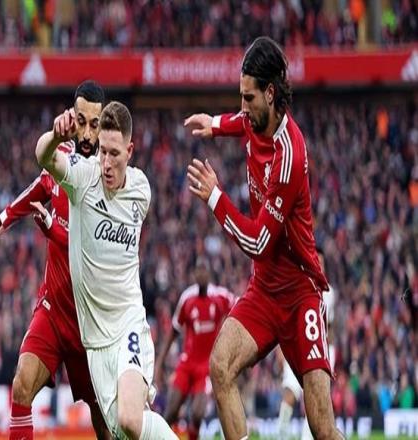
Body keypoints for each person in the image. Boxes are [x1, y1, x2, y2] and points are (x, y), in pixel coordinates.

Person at [184, 36, 342, 439]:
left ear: (271, 94)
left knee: (323, 429)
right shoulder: (256, 119)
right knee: (220, 367)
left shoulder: (290, 155)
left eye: (248, 97)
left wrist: (215, 197)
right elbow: (241, 122)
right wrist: (215, 124)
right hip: (265, 293)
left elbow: (258, 243)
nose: (242, 106)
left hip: (300, 295)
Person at [35, 100, 178, 439]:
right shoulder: (83, 179)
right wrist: (55, 137)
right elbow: (43, 156)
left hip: (128, 322)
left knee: (129, 419)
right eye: (102, 152)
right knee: (121, 430)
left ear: (130, 151)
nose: (107, 163)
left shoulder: (141, 190)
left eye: (115, 153)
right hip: (95, 340)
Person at [0, 81, 110, 440]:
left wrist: (53, 229)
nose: (87, 132)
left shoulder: (109, 175)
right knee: (21, 386)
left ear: (103, 123)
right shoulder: (63, 156)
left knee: (105, 421)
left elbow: (92, 249)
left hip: (91, 323)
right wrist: (9, 214)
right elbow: (42, 183)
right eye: (81, 121)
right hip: (54, 311)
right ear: (72, 117)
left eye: (95, 124)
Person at [154, 258, 235, 440]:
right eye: (198, 270)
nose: (201, 273)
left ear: (209, 273)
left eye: (203, 269)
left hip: (206, 365)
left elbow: (240, 306)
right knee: (170, 412)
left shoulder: (220, 296)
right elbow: (174, 331)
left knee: (197, 414)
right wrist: (159, 363)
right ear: (194, 274)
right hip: (187, 363)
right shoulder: (187, 298)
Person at [277, 249, 337, 440]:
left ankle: (307, 437)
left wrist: (331, 355)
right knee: (290, 392)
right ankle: (281, 434)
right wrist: (280, 350)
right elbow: (284, 321)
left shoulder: (329, 293)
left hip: (319, 351)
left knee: (316, 398)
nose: (319, 265)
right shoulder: (297, 284)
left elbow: (329, 327)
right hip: (296, 347)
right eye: (317, 260)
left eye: (322, 262)